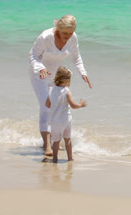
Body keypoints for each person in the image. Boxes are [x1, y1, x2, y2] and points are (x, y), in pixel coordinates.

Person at [29, 15, 92, 156]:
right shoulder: (45, 37)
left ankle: (55, 137)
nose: (68, 36)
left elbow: (76, 57)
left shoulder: (73, 37)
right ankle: (47, 145)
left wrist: (83, 73)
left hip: (56, 76)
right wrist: (40, 68)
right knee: (46, 106)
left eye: (70, 33)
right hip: (40, 74)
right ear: (58, 29)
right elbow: (32, 54)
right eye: (65, 33)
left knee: (58, 106)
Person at [45, 66, 87, 163]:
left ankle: (55, 159)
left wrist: (55, 107)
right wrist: (80, 105)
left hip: (54, 121)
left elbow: (47, 104)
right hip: (65, 120)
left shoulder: (51, 89)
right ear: (66, 80)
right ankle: (70, 158)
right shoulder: (66, 91)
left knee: (56, 141)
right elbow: (73, 105)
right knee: (67, 139)